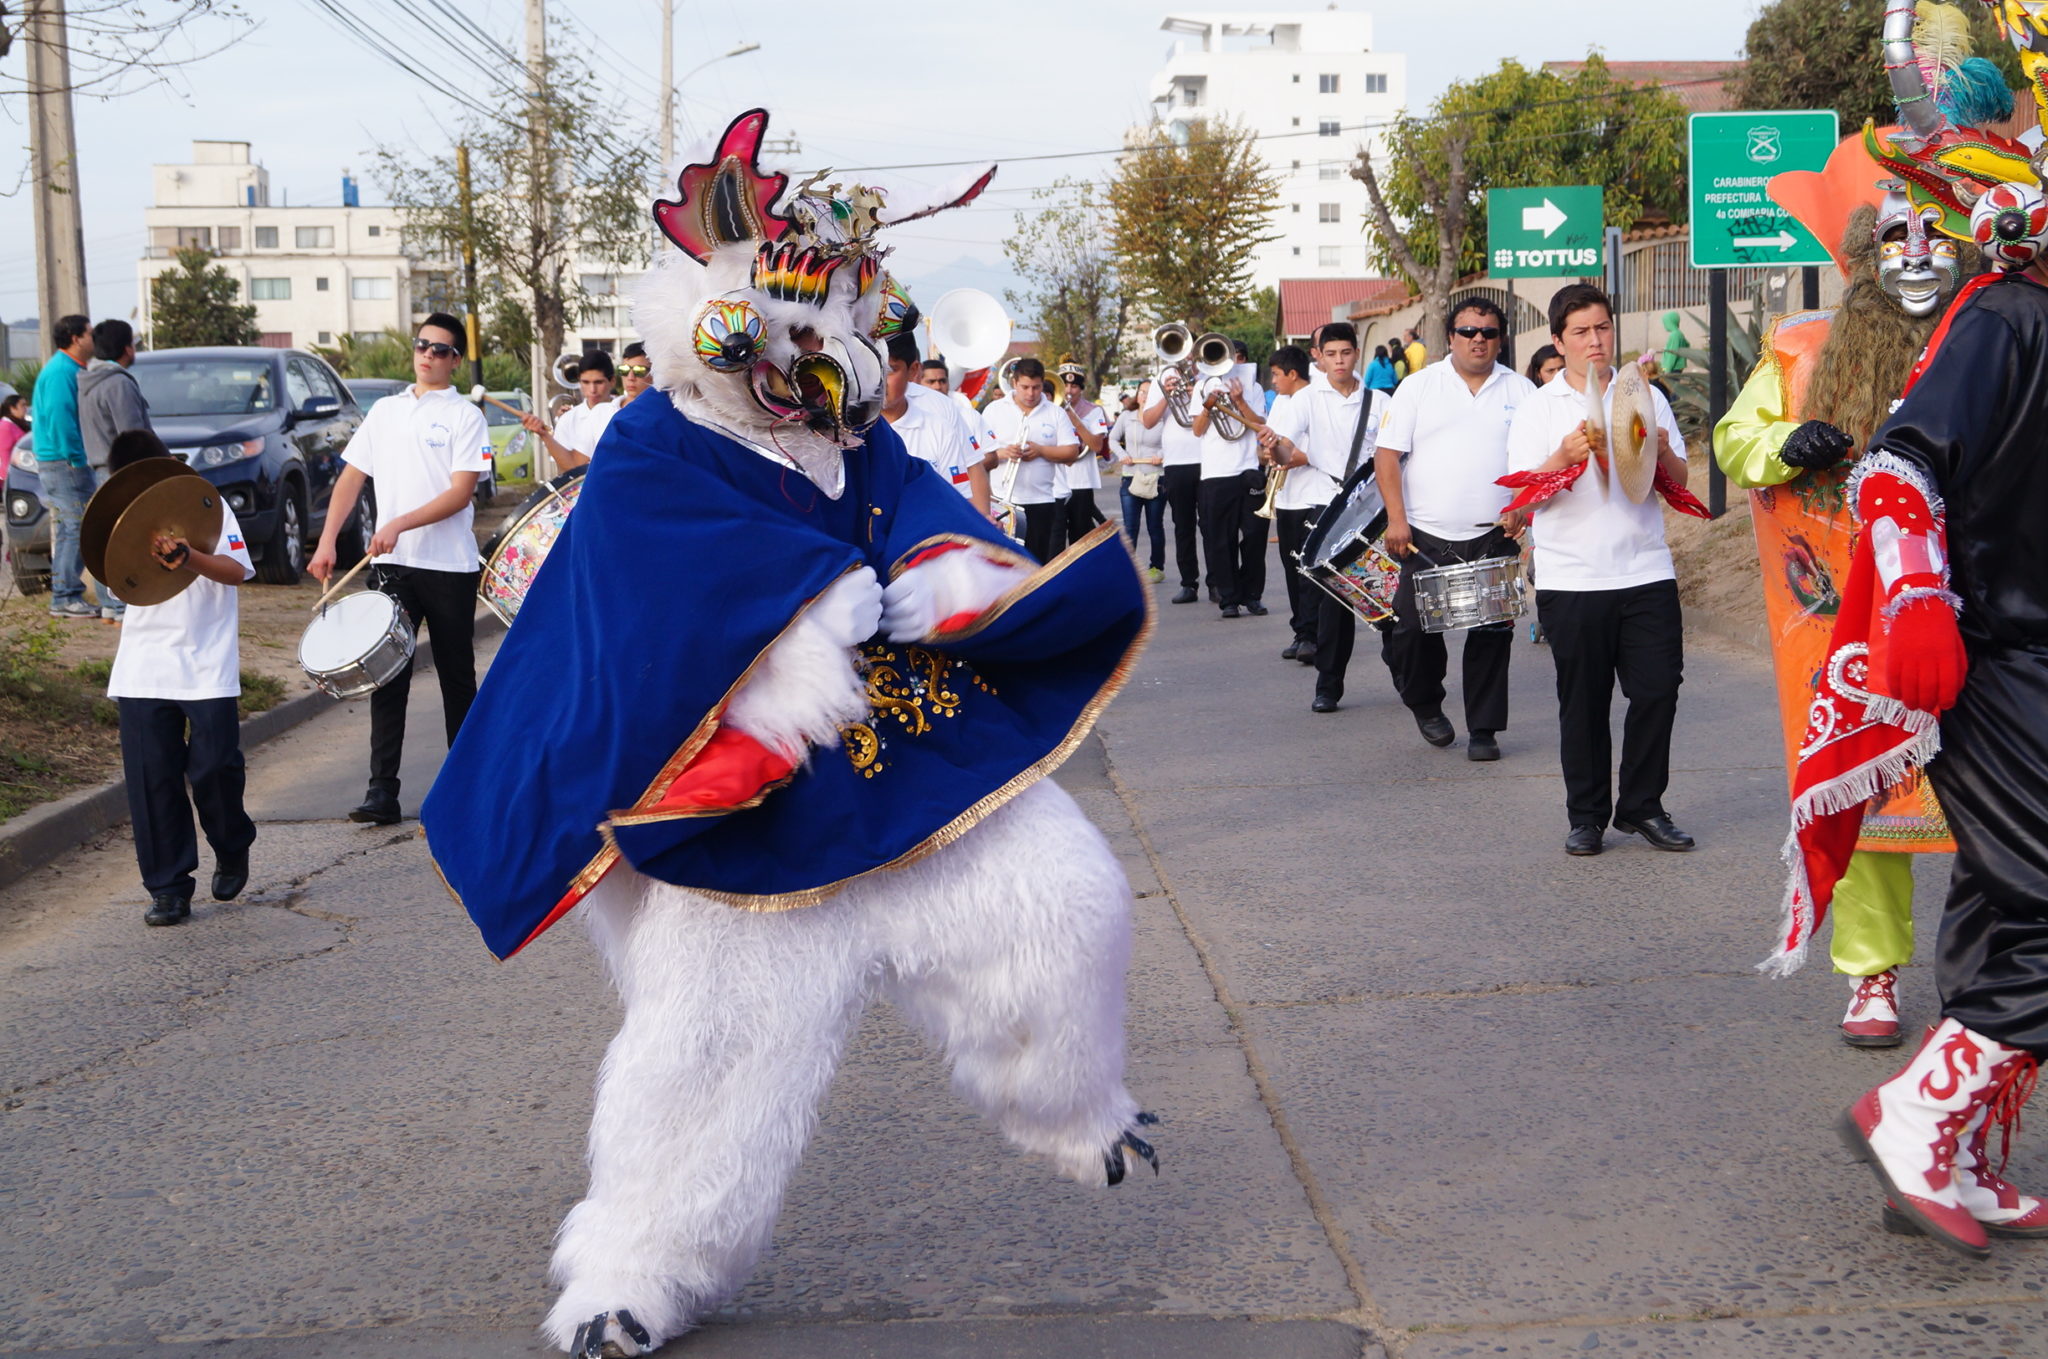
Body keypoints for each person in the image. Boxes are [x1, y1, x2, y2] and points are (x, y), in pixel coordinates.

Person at [416, 115, 1154, 1354]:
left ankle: (1074, 1106)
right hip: (728, 784)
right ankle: (629, 1273)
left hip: (891, 747)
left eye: (836, 328)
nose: (813, 352)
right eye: (791, 322)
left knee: (1068, 900)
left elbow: (918, 514)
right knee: (713, 1048)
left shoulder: (849, 437)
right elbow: (648, 585)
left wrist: (947, 576)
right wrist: (798, 603)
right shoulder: (656, 438)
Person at [1715, 156, 1961, 1046]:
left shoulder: (2001, 331)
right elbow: (1736, 441)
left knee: (2000, 800)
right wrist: (1792, 438)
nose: (1919, 253)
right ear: (1864, 256)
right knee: (1870, 793)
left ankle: (1997, 983)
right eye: (1898, 235)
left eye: (1937, 234)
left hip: (1986, 608)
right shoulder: (1801, 350)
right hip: (1851, 618)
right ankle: (1872, 975)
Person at [1504, 284, 1697, 857]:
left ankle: (1642, 807)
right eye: (1582, 331)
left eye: (1603, 328)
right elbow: (1518, 505)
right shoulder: (1539, 408)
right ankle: (1586, 816)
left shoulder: (1645, 396)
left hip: (1645, 568)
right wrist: (1562, 458)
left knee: (1659, 689)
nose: (1595, 340)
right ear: (1558, 342)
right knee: (1583, 702)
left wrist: (1661, 449)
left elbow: (1680, 480)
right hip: (1572, 578)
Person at [308, 313, 493, 827]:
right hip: (392, 566)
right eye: (422, 345)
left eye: (440, 349)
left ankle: (465, 787)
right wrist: (326, 543)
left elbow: (460, 494)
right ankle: (381, 791)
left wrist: (399, 522)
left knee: (458, 678)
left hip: (448, 565)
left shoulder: (464, 416)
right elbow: (351, 479)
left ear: (455, 360)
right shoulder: (385, 411)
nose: (428, 354)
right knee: (386, 675)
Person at [103, 429, 258, 927]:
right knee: (152, 781)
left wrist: (189, 556)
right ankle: (168, 887)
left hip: (206, 662)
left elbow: (236, 571)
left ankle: (232, 844)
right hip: (144, 664)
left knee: (214, 768)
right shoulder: (120, 521)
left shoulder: (206, 504)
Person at [1373, 298, 1534, 760]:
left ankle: (1483, 730)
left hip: (1493, 534)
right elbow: (1387, 457)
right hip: (1424, 535)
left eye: (1487, 332)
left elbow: (1534, 464)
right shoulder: (1418, 387)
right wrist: (1396, 519)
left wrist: (1523, 507)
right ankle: (1425, 703)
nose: (1478, 339)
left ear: (1501, 339)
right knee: (1411, 630)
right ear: (1450, 338)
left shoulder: (1520, 390)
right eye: (1467, 331)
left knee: (1490, 633)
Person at [1258, 324, 1388, 709]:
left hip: (1373, 509)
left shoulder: (1380, 401)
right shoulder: (1306, 399)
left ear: (1356, 354)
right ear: (1319, 356)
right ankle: (1328, 685)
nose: (1339, 361)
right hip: (1326, 508)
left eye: (1345, 353)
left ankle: (1403, 669)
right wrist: (1274, 451)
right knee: (1333, 602)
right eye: (1331, 354)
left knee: (1386, 590)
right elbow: (1283, 451)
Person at [78, 319, 154, 622]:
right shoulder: (119, 382)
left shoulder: (88, 381)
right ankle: (123, 606)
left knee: (107, 537)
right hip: (123, 471)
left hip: (99, 467)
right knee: (127, 538)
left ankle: (110, 605)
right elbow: (132, 436)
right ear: (126, 348)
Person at [978, 356, 1079, 562]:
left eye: (1036, 387)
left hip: (1041, 501)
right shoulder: (994, 411)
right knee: (1003, 563)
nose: (1031, 393)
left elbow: (1072, 453)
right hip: (1002, 502)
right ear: (1014, 383)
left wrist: (1041, 451)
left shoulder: (1055, 412)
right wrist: (1002, 454)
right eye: (1025, 387)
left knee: (1037, 563)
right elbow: (977, 457)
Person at [1191, 362, 1267, 619]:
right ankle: (1229, 598)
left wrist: (1240, 401)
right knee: (1221, 540)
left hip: (1248, 469)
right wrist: (1209, 404)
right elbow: (1197, 430)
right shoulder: (1202, 386)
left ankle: (1252, 594)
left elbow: (1260, 425)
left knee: (1255, 536)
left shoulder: (1253, 386)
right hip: (1216, 473)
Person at [31, 314, 96, 620]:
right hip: (63, 462)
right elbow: (61, 419)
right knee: (78, 527)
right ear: (75, 338)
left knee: (70, 527)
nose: (93, 339)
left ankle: (64, 594)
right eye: (89, 334)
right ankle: (66, 596)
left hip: (59, 461)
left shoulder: (68, 368)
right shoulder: (60, 372)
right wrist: (77, 459)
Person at [883, 332, 990, 515]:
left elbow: (971, 467)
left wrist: (982, 527)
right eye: (869, 368)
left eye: (890, 370)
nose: (878, 380)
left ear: (913, 370)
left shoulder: (940, 410)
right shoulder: (844, 421)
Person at [1142, 368, 1206, 604]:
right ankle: (1189, 583)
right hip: (1176, 462)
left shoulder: (1209, 377)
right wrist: (1166, 395)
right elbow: (1148, 421)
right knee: (1183, 526)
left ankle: (1218, 583)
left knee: (1211, 526)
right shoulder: (1163, 377)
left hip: (1208, 460)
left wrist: (1198, 394)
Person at [522, 350, 618, 471]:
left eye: (598, 382)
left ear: (612, 381)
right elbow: (565, 469)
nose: (592, 390)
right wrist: (545, 435)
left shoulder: (626, 412)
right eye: (586, 382)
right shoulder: (568, 420)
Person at [1112, 383, 1165, 581]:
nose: (1145, 396)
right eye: (1142, 392)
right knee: (1130, 526)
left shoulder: (1162, 417)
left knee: (1155, 525)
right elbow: (1112, 439)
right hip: (1130, 476)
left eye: (1150, 393)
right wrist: (1123, 455)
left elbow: (1170, 441)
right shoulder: (1127, 416)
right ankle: (1129, 568)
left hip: (1156, 477)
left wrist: (1160, 455)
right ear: (1137, 395)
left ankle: (1156, 566)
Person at [1055, 361, 1111, 546]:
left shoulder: (1094, 411)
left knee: (1080, 539)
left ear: (1081, 388)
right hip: (1055, 482)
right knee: (1055, 539)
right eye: (1066, 386)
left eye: (1075, 386)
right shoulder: (1051, 410)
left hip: (1081, 481)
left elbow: (1096, 445)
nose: (1070, 390)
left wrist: (1075, 419)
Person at [615, 341, 652, 407]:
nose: (630, 377)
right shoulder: (601, 410)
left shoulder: (665, 412)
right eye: (624, 369)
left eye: (639, 370)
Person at [0, 393, 28, 469]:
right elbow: (4, 454)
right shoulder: (5, 427)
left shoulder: (16, 423)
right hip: (10, 474)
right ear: (12, 408)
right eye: (22, 405)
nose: (26, 408)